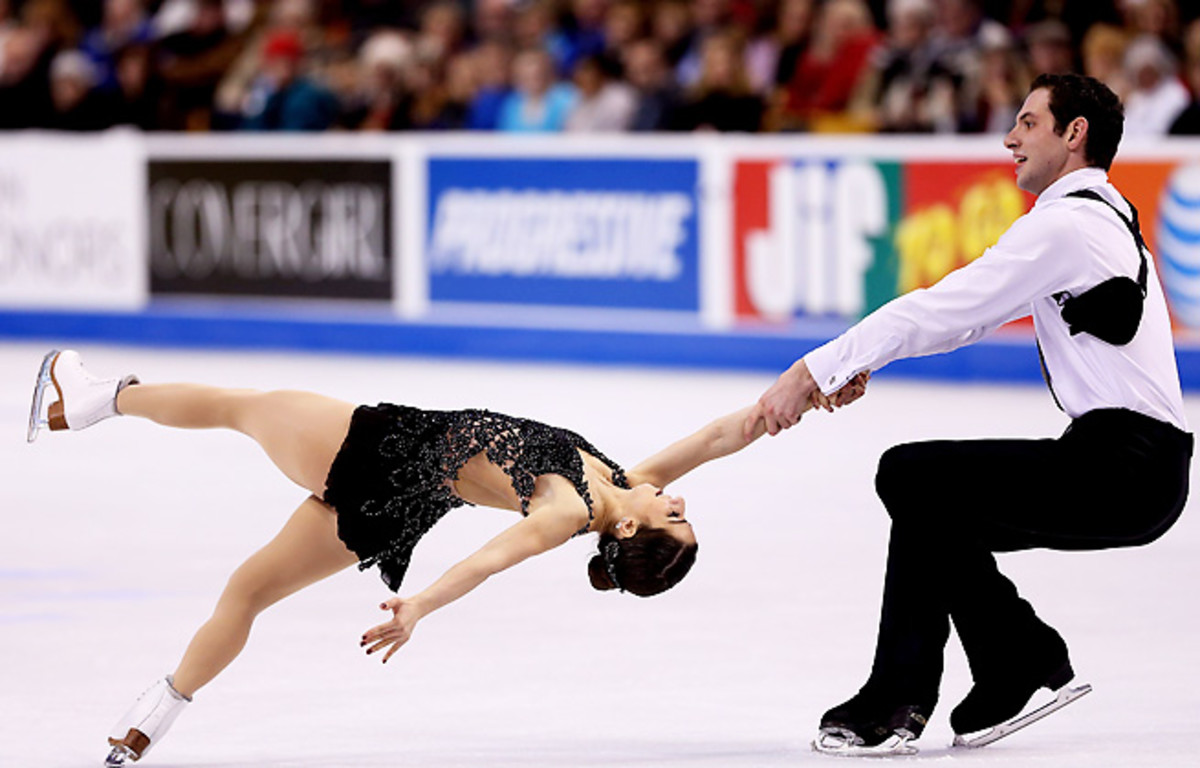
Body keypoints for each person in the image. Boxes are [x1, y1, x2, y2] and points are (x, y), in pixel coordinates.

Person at [28, 348, 773, 766]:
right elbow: (716, 437)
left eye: (677, 518)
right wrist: (796, 395)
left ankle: (97, 400)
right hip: (399, 508)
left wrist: (418, 606)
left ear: (633, 531)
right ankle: (148, 725)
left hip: (370, 450)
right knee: (248, 592)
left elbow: (487, 560)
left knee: (239, 406)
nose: (679, 500)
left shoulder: (566, 510)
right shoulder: (622, 482)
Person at [745, 72, 1191, 756]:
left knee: (914, 476)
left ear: (1075, 134)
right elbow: (967, 322)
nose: (1010, 138)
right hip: (1133, 463)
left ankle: (934, 685)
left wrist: (814, 370)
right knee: (930, 505)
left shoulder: (1068, 225)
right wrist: (860, 364)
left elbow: (946, 308)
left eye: (1028, 123)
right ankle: (1005, 663)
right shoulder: (1100, 215)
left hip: (1126, 465)